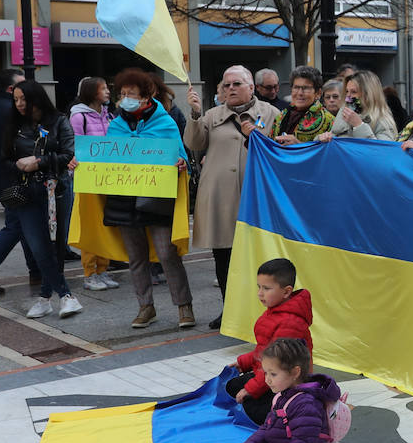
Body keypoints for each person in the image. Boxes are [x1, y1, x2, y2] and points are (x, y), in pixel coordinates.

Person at [185, 65, 279, 329]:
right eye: (226, 85)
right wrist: (194, 114)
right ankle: (229, 309)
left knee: (258, 257)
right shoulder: (212, 115)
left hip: (257, 196)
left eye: (237, 84)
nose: (231, 89)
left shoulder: (270, 114)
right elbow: (194, 143)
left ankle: (261, 310)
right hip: (221, 197)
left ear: (251, 87)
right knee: (223, 257)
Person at [104, 68, 193, 329]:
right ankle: (145, 306)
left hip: (157, 198)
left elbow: (182, 156)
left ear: (146, 96)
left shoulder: (165, 122)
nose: (124, 99)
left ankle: (184, 305)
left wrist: (180, 162)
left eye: (130, 94)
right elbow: (105, 158)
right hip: (124, 200)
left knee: (167, 254)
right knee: (136, 257)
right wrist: (82, 163)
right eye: (121, 94)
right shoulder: (116, 125)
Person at [2, 81, 82, 319]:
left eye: (23, 99)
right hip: (26, 192)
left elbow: (69, 153)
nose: (19, 104)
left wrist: (39, 161)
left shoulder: (59, 121)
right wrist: (17, 164)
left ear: (36, 98)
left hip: (56, 189)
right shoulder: (14, 125)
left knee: (56, 246)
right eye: (15, 99)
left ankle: (46, 298)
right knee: (38, 246)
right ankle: (66, 295)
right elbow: (3, 158)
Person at [237, 338, 339, 443]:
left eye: (273, 374)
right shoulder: (282, 396)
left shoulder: (306, 405)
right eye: (265, 373)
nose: (267, 379)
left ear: (295, 372)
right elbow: (268, 426)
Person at [228, 258, 314, 425]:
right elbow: (264, 351)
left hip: (288, 383)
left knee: (251, 408)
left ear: (287, 292)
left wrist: (250, 389)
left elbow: (277, 365)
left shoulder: (290, 323)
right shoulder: (275, 311)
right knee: (232, 386)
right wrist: (243, 362)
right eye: (259, 287)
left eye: (266, 288)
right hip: (270, 373)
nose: (260, 293)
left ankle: (290, 411)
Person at [0, 68, 38, 296]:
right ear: (11, 89)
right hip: (14, 177)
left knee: (24, 225)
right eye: (22, 85)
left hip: (1, 177)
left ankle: (36, 270)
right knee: (16, 226)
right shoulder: (11, 111)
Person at [69, 76, 119, 291]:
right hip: (89, 179)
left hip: (107, 177)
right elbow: (74, 146)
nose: (108, 91)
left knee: (106, 224)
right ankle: (90, 273)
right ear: (91, 92)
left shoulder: (108, 115)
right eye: (104, 88)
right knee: (91, 226)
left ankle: (103, 270)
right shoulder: (79, 117)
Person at [320, 69, 398, 141]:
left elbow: (381, 151)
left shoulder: (383, 121)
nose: (348, 96)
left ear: (368, 94)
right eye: (347, 91)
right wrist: (323, 138)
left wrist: (359, 126)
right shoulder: (345, 111)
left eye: (353, 92)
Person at [271, 66, 333, 143]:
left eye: (306, 88)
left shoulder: (328, 120)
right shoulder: (281, 116)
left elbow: (330, 153)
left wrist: (299, 145)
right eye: (296, 87)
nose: (300, 93)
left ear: (318, 93)